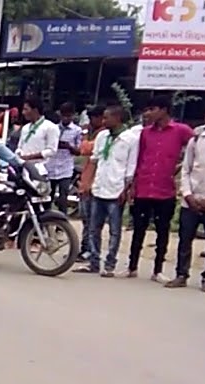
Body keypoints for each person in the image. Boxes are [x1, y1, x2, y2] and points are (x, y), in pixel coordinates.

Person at [127, 95, 194, 281]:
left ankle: (158, 269)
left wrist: (182, 165)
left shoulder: (181, 130)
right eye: (147, 110)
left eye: (152, 109)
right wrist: (133, 185)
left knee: (162, 231)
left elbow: (196, 146)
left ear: (164, 110)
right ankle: (132, 266)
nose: (148, 113)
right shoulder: (146, 133)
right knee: (138, 229)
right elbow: (140, 158)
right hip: (144, 186)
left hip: (165, 189)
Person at [76, 105, 137, 277]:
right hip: (99, 187)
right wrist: (87, 184)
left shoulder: (130, 139)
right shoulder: (102, 136)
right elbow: (95, 161)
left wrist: (126, 189)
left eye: (106, 118)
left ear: (117, 118)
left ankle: (110, 264)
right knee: (94, 227)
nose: (103, 121)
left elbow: (130, 168)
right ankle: (94, 262)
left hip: (116, 189)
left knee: (115, 230)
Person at [168, 100, 205, 292]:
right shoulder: (196, 140)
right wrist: (187, 194)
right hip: (191, 200)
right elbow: (186, 170)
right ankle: (181, 274)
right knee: (185, 239)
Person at [76, 105, 106, 262]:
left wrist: (85, 134)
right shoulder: (96, 133)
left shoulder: (102, 135)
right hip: (86, 179)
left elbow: (85, 148)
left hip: (94, 182)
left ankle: (90, 251)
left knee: (92, 221)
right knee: (86, 220)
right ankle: (85, 248)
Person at [48, 102, 83, 216]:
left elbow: (79, 151)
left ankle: (62, 221)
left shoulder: (77, 131)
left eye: (68, 116)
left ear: (73, 115)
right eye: (63, 115)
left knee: (63, 197)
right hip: (51, 166)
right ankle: (46, 220)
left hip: (66, 168)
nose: (66, 118)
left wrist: (69, 147)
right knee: (48, 196)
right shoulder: (54, 129)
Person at [14, 97, 59, 168]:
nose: (23, 113)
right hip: (24, 166)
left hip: (41, 168)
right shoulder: (25, 128)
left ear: (35, 110)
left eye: (26, 109)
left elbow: (52, 150)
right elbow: (20, 146)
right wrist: (19, 154)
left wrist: (30, 157)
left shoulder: (50, 127)